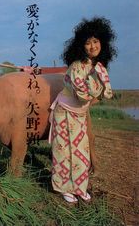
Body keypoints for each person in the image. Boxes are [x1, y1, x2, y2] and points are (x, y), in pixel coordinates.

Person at [49, 17, 117, 203]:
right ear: (81, 46)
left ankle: (79, 187)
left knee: (81, 151)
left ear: (103, 43)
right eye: (87, 43)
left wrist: (100, 81)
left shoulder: (98, 67)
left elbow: (102, 95)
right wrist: (98, 80)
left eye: (96, 41)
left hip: (78, 114)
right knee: (63, 151)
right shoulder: (76, 67)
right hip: (64, 112)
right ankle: (64, 188)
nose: (92, 46)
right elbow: (83, 95)